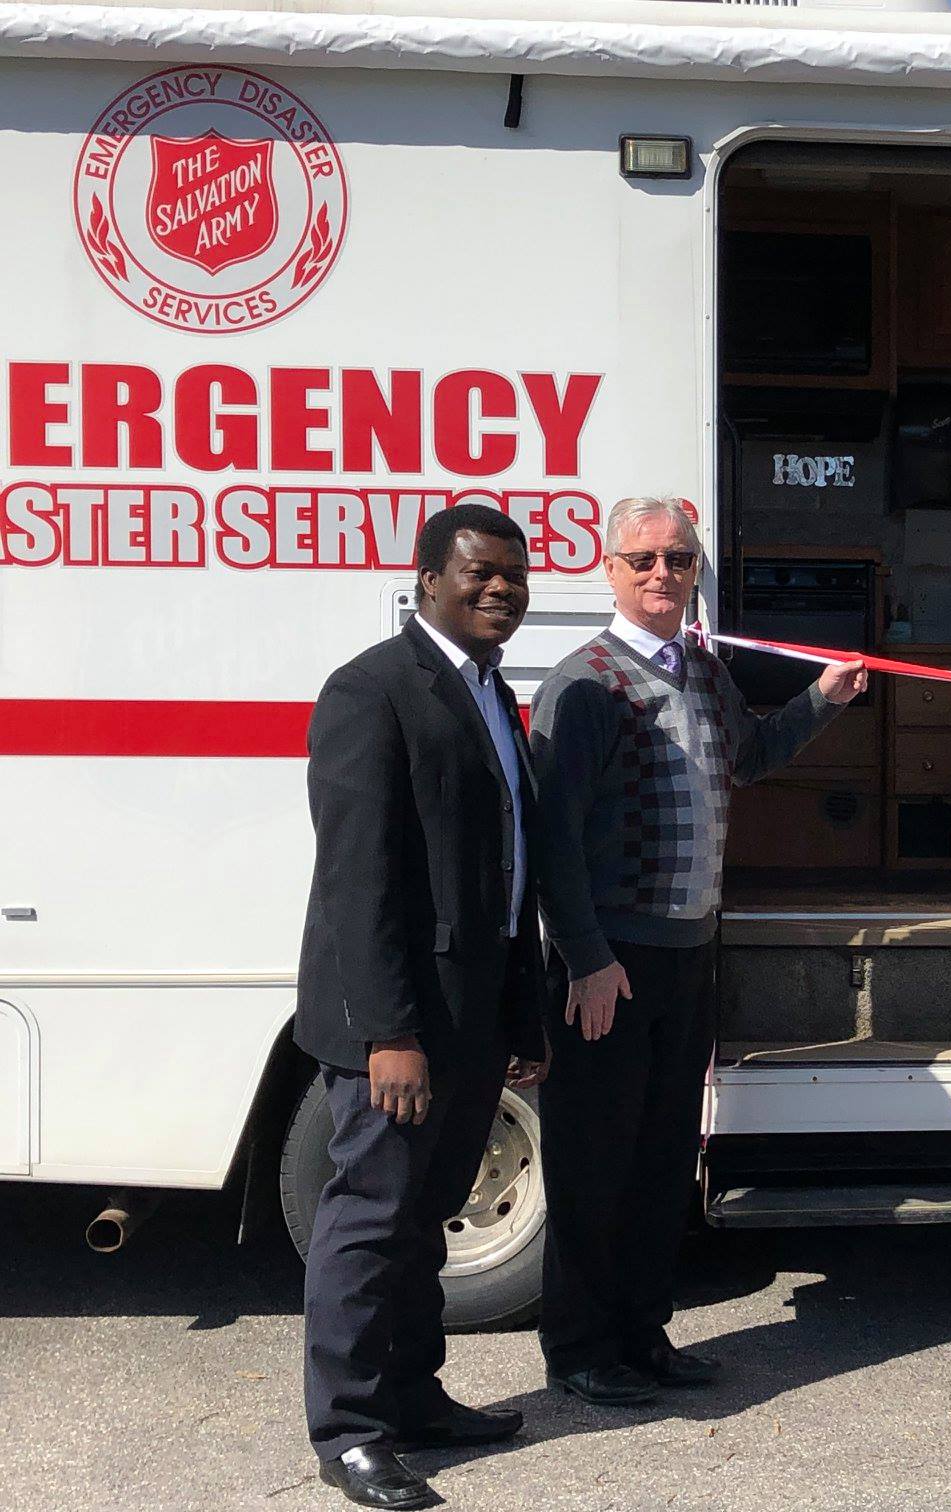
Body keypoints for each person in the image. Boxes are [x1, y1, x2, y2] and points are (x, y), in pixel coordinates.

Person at [530, 495, 867, 1406]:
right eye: (641, 560)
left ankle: (642, 1335)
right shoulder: (585, 682)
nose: (661, 574)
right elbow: (552, 840)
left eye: (678, 559)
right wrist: (588, 958)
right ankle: (580, 1349)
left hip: (686, 956)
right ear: (609, 569)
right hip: (610, 966)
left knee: (662, 1158)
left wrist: (821, 700)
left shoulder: (704, 672)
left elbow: (748, 759)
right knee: (595, 1164)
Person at [296, 503, 550, 1510]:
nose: (500, 590)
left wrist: (520, 1023)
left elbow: (508, 875)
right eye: (480, 574)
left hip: (476, 1017)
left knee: (422, 1218)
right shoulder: (370, 691)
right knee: (369, 1222)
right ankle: (352, 1431)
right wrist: (386, 1035)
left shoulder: (492, 692)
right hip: (401, 1026)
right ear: (428, 579)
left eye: (515, 577)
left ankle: (412, 1394)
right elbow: (360, 881)